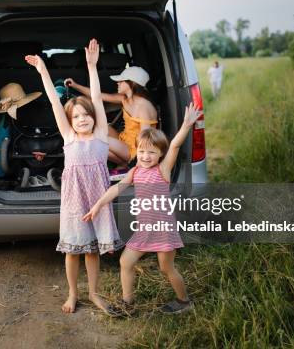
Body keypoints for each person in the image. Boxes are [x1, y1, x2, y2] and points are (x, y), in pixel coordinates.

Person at [25, 39, 124, 316]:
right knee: (73, 250)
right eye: (76, 116)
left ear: (94, 118)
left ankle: (93, 293)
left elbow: (95, 98)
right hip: (74, 201)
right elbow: (56, 102)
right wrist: (44, 72)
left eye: (86, 115)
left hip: (98, 200)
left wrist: (92, 67)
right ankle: (72, 293)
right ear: (70, 121)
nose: (82, 119)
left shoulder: (101, 135)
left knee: (92, 251)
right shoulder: (68, 137)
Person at [82, 104, 203, 315]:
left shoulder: (162, 170)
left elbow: (174, 145)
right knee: (125, 261)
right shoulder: (136, 171)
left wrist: (186, 125)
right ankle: (128, 302)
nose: (145, 156)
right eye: (141, 151)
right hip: (145, 229)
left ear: (160, 154)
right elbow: (116, 188)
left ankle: (184, 301)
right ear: (135, 151)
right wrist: (98, 204)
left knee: (167, 268)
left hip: (163, 228)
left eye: (151, 152)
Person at [65, 66, 158, 167]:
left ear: (131, 83)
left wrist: (140, 164)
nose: (117, 83)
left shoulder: (143, 106)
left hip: (136, 150)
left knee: (99, 139)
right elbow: (98, 95)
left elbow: (146, 139)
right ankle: (123, 163)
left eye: (121, 81)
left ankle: (128, 164)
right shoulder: (124, 99)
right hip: (124, 140)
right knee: (97, 126)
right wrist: (75, 85)